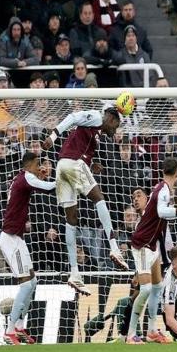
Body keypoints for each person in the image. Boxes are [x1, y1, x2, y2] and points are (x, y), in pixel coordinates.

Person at [42, 106, 127, 295]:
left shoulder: (95, 133)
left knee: (71, 220)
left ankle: (74, 273)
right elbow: (73, 116)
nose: (114, 131)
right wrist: (53, 136)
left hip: (63, 166)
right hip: (73, 163)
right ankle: (114, 247)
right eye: (116, 126)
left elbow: (79, 144)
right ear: (111, 119)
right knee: (99, 198)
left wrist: (90, 164)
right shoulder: (97, 117)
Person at [126, 157, 177, 344]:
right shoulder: (164, 190)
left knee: (157, 287)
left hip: (152, 246)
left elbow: (165, 212)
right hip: (142, 244)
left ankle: (151, 330)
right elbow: (161, 212)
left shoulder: (160, 188)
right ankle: (131, 334)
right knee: (146, 289)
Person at [0, 152, 56, 345]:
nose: (39, 167)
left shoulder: (21, 178)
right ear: (30, 164)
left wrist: (41, 176)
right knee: (25, 284)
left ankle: (19, 327)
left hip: (17, 238)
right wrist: (65, 178)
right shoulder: (26, 177)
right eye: (37, 164)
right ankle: (9, 331)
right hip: (10, 239)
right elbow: (48, 188)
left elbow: (36, 184)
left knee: (32, 282)